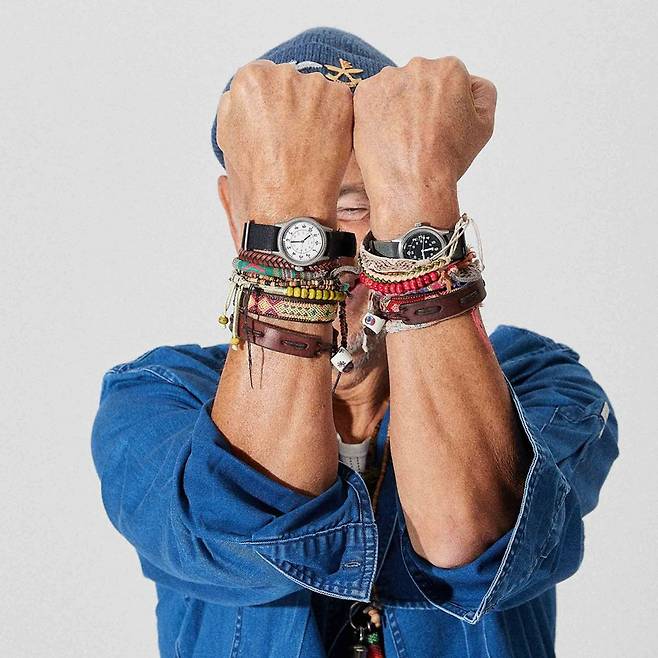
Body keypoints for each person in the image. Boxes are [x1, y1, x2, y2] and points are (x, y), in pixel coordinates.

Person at [91, 27, 619, 658]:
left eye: (355, 208)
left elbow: (471, 544)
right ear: (236, 216)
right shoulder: (156, 400)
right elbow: (249, 533)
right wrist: (289, 220)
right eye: (293, 220)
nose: (332, 256)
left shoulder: (537, 382)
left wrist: (416, 198)